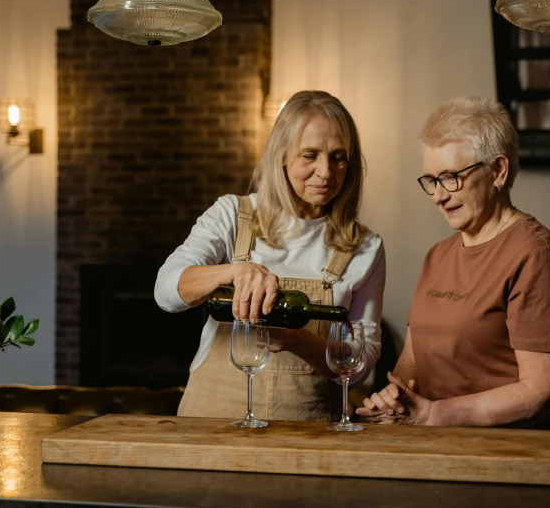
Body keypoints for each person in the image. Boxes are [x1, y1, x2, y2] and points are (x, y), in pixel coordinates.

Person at [356, 96, 550, 429]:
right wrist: (393, 399)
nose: (438, 195)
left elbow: (546, 390)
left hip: (510, 453)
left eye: (451, 177)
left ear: (498, 170)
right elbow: (415, 357)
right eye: (431, 181)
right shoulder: (438, 255)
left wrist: (435, 414)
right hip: (437, 448)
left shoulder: (536, 255)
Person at [155, 90, 385, 422]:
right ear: (282, 155)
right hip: (211, 420)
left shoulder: (365, 246)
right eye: (309, 155)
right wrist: (234, 272)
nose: (326, 172)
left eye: (338, 157)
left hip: (309, 430)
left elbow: (361, 365)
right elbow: (165, 292)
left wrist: (296, 339)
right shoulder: (233, 215)